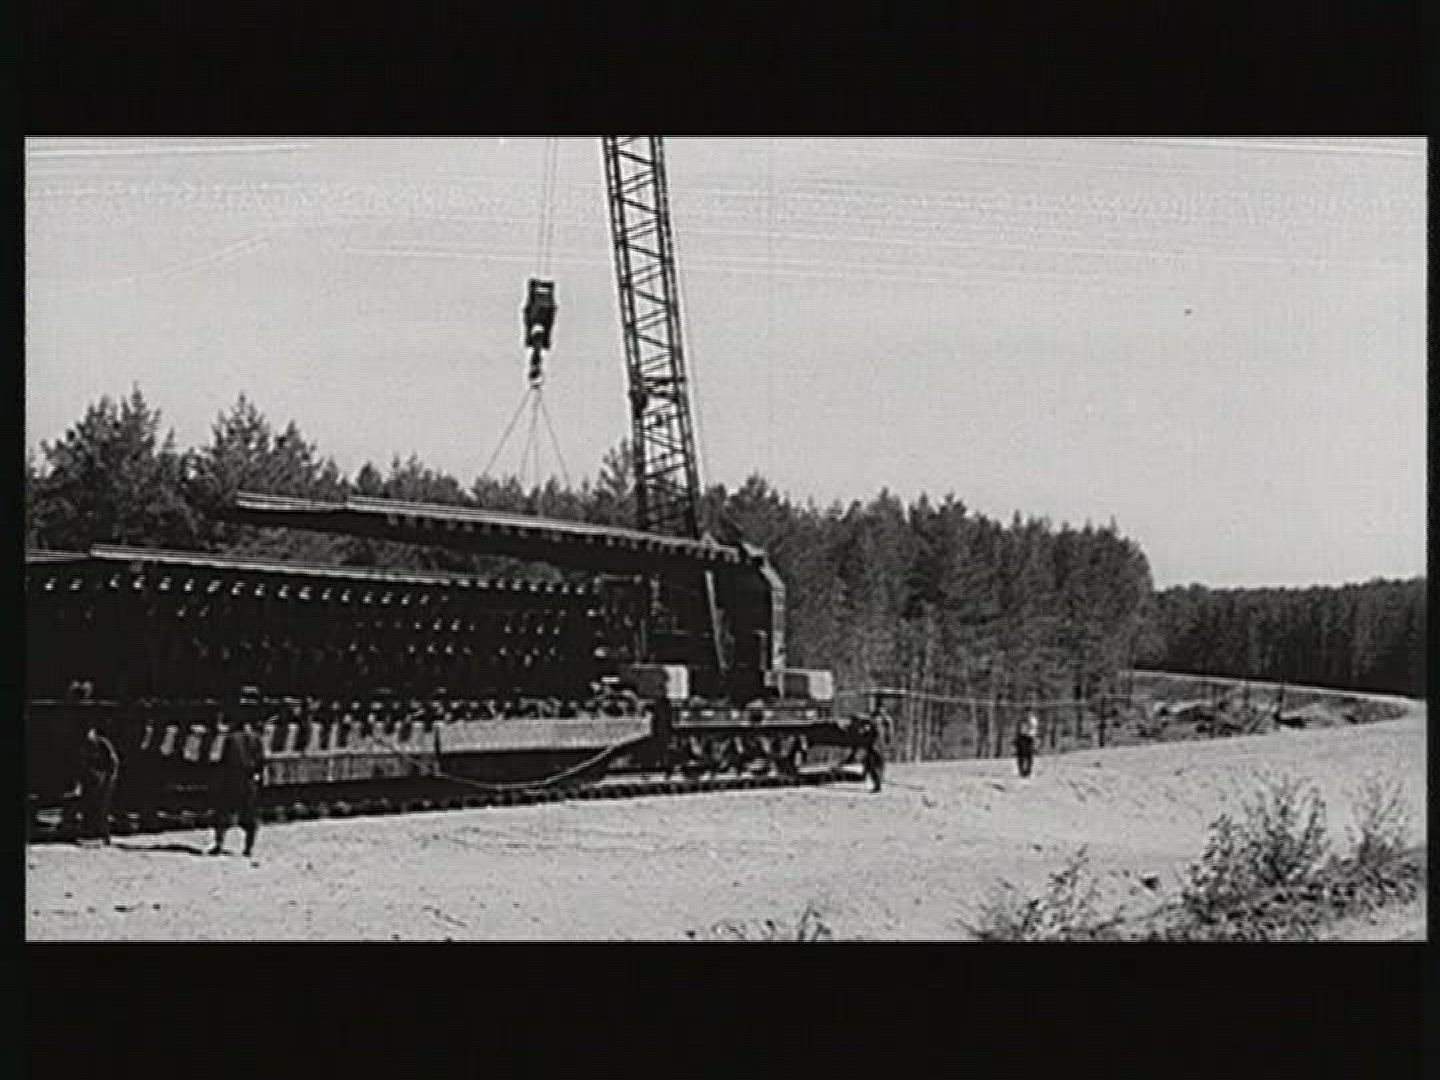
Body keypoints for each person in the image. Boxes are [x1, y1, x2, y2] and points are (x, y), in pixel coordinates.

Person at [210, 715, 267, 857]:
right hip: (249, 780)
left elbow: (225, 761)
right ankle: (248, 848)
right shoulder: (256, 738)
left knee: (223, 812)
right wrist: (259, 777)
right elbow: (261, 761)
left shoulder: (231, 739)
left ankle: (219, 845)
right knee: (250, 814)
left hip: (232, 779)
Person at [76, 725, 120, 845]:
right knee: (89, 807)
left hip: (105, 780)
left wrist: (108, 777)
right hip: (91, 781)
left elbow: (113, 762)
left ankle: (104, 835)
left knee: (102, 809)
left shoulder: (103, 744)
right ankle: (90, 833)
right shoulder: (85, 745)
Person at [1015, 713, 1040, 778]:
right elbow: (1019, 731)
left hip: (1029, 739)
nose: (1028, 715)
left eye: (1029, 714)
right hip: (1022, 739)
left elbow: (1034, 730)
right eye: (1027, 713)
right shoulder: (1021, 721)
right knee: (1022, 756)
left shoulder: (1033, 720)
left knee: (1029, 757)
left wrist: (1035, 738)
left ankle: (1028, 772)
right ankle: (1022, 772)